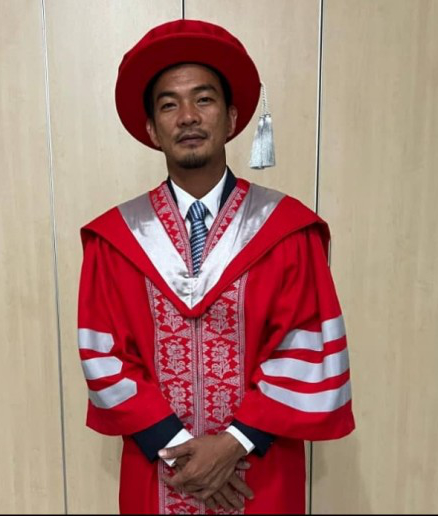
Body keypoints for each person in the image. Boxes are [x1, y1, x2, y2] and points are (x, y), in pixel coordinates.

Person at [77, 19, 355, 515]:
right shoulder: (116, 240)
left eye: (203, 99)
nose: (187, 116)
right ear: (151, 129)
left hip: (260, 468)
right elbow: (105, 357)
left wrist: (234, 444)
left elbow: (306, 344)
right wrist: (179, 450)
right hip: (159, 466)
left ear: (231, 118)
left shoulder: (287, 230)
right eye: (169, 104)